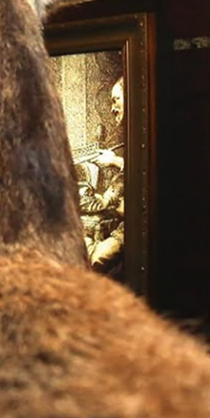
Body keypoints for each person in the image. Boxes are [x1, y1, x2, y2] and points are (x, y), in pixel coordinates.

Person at [80, 77, 125, 279]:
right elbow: (106, 201)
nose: (112, 108)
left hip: (131, 230)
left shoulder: (133, 147)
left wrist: (115, 161)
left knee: (94, 260)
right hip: (122, 225)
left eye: (116, 100)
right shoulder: (127, 144)